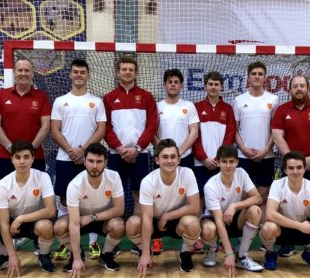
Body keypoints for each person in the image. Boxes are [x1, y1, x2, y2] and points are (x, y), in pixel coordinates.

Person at [0, 58, 51, 258]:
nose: (23, 73)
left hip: (37, 156)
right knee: (2, 199)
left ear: (33, 73)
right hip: (5, 157)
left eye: (27, 70)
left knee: (39, 201)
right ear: (14, 72)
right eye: (20, 70)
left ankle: (39, 245)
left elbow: (45, 126)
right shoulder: (2, 95)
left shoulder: (41, 97)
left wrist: (29, 152)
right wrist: (11, 149)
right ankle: (2, 251)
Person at [0, 141, 56, 276]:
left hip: (34, 223)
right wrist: (12, 255)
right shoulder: (3, 184)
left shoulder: (42, 177)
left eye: (26, 157)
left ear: (33, 159)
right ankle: (2, 254)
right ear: (12, 159)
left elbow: (51, 210)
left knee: (46, 226)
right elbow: (4, 223)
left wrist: (22, 218)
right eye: (17, 157)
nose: (22, 161)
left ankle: (44, 254)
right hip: (11, 225)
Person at [51, 59, 106, 262]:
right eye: (75, 72)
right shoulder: (60, 101)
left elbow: (101, 129)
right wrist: (70, 150)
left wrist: (83, 150)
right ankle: (67, 245)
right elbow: (54, 129)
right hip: (65, 158)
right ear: (70, 75)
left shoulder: (97, 102)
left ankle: (93, 243)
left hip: (88, 160)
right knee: (65, 200)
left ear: (88, 76)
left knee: (90, 200)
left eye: (82, 72)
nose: (79, 75)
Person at [271, 74, 310, 257]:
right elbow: (277, 136)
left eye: (302, 86)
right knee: (287, 206)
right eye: (295, 86)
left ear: (308, 88)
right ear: (290, 89)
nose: (299, 89)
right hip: (292, 170)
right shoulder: (282, 111)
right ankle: (287, 245)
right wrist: (293, 162)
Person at [260, 151, 310, 278]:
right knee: (268, 227)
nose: (295, 171)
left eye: (299, 167)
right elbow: (270, 214)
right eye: (291, 168)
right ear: (285, 170)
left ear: (304, 169)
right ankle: (271, 253)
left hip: (307, 229)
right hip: (284, 229)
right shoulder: (277, 185)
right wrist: (298, 225)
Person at [126, 139, 201, 276]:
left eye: (173, 157)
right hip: (154, 222)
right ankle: (145, 252)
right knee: (132, 223)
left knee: (193, 223)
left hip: (177, 221)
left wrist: (168, 216)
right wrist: (145, 253)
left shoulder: (187, 173)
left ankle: (185, 253)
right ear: (157, 160)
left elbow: (195, 207)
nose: (169, 161)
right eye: (165, 157)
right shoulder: (148, 181)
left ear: (178, 160)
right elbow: (147, 217)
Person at [52, 143, 125, 278]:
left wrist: (92, 217)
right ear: (84, 162)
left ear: (106, 162)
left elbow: (119, 209)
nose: (95, 166)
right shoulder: (75, 184)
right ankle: (76, 254)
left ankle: (106, 255)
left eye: (99, 161)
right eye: (91, 161)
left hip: (102, 220)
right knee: (59, 227)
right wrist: (77, 259)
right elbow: (73, 224)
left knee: (119, 225)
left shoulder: (114, 177)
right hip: (80, 221)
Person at [103, 55, 157, 216]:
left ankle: (137, 236)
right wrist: (119, 148)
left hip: (140, 154)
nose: (127, 72)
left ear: (136, 73)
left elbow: (152, 125)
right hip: (115, 154)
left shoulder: (147, 97)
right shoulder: (109, 98)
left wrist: (137, 148)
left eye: (131, 70)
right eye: (124, 69)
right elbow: (105, 127)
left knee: (139, 194)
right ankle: (115, 234)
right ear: (118, 72)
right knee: (114, 196)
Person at [153, 69, 199, 254]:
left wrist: (178, 152)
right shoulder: (157, 107)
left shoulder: (189, 106)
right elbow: (152, 133)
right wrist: (164, 152)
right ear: (164, 84)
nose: (173, 84)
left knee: (187, 199)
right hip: (162, 161)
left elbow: (194, 132)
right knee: (158, 198)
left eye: (176, 82)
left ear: (181, 86)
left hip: (184, 158)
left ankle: (188, 241)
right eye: (170, 81)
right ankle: (156, 240)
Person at [233, 61, 278, 254]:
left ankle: (265, 237)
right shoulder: (238, 100)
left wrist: (266, 149)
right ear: (248, 77)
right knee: (247, 197)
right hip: (244, 156)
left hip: (266, 156)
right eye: (254, 74)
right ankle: (245, 239)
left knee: (264, 195)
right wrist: (243, 148)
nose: (257, 77)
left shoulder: (274, 100)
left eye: (260, 73)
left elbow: (275, 130)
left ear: (265, 77)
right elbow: (234, 130)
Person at [200, 145, 263, 277]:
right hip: (215, 220)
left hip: (234, 218)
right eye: (224, 161)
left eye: (231, 161)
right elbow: (218, 219)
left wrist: (234, 206)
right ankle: (212, 249)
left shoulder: (241, 173)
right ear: (218, 162)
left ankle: (242, 257)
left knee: (255, 210)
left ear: (237, 162)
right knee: (208, 230)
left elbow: (257, 198)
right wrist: (228, 253)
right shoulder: (210, 186)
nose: (228, 166)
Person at [193, 71, 236, 254]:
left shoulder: (227, 109)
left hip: (220, 164)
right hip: (200, 163)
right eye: (210, 84)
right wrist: (203, 158)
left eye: (216, 84)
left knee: (220, 201)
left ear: (221, 87)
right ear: (205, 86)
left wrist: (219, 159)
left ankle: (220, 240)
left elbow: (230, 135)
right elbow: (195, 136)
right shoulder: (196, 107)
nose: (213, 87)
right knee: (199, 201)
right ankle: (197, 239)